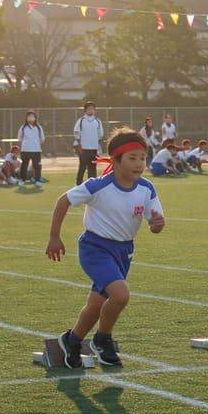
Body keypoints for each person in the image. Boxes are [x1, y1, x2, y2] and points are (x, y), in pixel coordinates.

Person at [46, 128, 165, 368]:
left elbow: (155, 225)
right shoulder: (98, 186)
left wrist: (156, 224)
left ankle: (71, 341)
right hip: (95, 248)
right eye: (132, 158)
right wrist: (54, 237)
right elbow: (64, 201)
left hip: (124, 252)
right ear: (115, 160)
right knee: (120, 295)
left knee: (96, 305)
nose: (139, 163)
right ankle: (102, 339)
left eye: (142, 157)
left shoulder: (147, 188)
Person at [73, 101, 104, 185]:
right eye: (89, 109)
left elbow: (100, 134)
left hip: (93, 148)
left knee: (92, 168)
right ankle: (78, 184)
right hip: (83, 148)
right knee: (82, 167)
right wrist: (78, 145)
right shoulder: (81, 120)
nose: (91, 110)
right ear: (85, 110)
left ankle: (92, 185)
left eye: (92, 109)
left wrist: (96, 144)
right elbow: (76, 132)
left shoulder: (97, 121)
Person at [17, 110, 45, 187]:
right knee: (24, 165)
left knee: (37, 166)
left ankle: (38, 180)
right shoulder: (23, 127)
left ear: (35, 118)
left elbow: (42, 138)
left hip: (36, 150)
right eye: (29, 116)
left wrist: (36, 143)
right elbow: (19, 138)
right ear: (26, 118)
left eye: (33, 116)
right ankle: (22, 180)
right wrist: (26, 143)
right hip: (25, 150)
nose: (31, 118)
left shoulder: (39, 127)